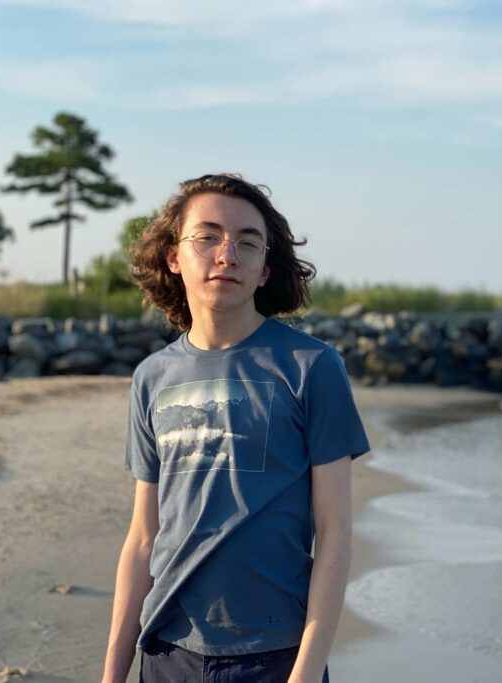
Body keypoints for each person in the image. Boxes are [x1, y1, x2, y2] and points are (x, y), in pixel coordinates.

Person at [101, 173, 370, 683]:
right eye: (207, 237)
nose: (227, 254)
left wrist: (306, 672)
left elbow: (334, 532)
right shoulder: (152, 378)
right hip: (166, 649)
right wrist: (113, 672)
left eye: (248, 242)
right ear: (174, 257)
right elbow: (143, 537)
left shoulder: (311, 368)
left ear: (265, 269)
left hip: (275, 654)